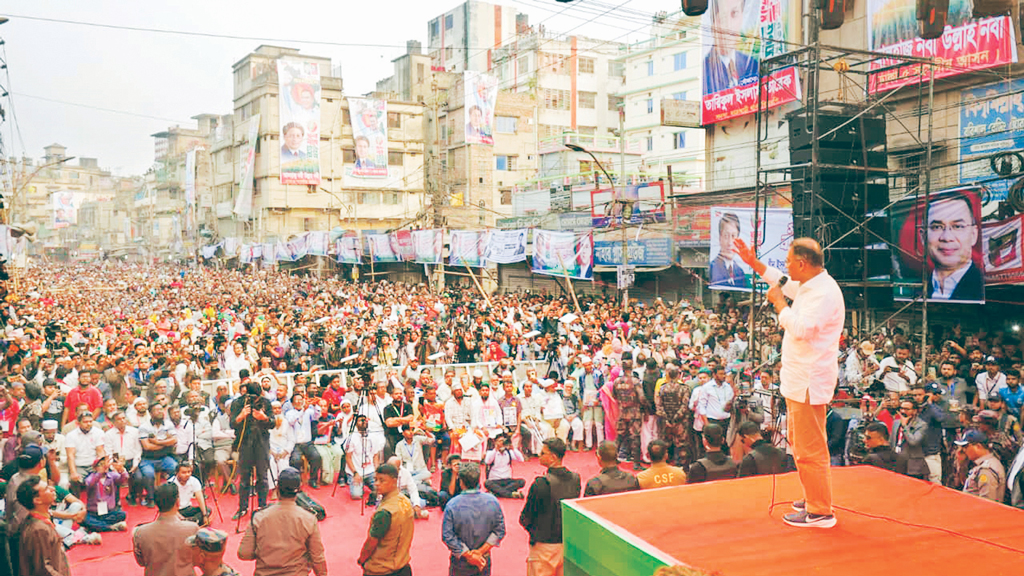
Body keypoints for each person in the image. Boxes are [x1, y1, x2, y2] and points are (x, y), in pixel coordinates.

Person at [734, 237, 844, 528]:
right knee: (801, 445)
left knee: (810, 449)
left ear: (802, 263)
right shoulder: (811, 286)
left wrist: (780, 304)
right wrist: (754, 264)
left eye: (788, 261)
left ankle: (820, 512)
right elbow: (782, 280)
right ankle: (813, 498)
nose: (785, 266)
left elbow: (802, 329)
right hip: (799, 380)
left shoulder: (823, 293)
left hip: (809, 381)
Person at [238, 467, 328, 576]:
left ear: (277, 489)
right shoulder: (308, 519)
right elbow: (317, 558)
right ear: (299, 490)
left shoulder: (259, 517)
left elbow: (244, 553)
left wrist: (264, 552)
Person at [519, 438, 581, 576]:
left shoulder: (541, 484)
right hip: (566, 543)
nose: (540, 455)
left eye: (543, 453)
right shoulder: (576, 479)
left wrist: (535, 532)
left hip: (543, 546)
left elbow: (525, 517)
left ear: (553, 457)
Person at [442, 462, 506, 576]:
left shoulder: (452, 505)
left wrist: (468, 554)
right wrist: (480, 552)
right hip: (483, 558)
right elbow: (499, 530)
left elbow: (447, 536)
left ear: (460, 482)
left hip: (461, 561)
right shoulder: (493, 501)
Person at [357, 463, 414, 576]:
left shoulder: (385, 513)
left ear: (394, 481)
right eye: (375, 479)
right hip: (403, 564)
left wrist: (362, 559)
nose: (377, 484)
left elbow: (371, 542)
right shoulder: (405, 501)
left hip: (382, 569)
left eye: (382, 480)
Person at [923, 193, 983, 301]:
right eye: (937, 227)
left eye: (957, 226)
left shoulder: (985, 286)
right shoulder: (914, 288)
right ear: (923, 236)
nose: (947, 237)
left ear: (973, 235)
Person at [132, 483, 200, 576]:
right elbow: (197, 560)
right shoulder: (192, 528)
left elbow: (141, 562)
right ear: (177, 502)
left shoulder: (140, 532)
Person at [229, 382, 274, 520]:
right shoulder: (238, 403)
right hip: (244, 442)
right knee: (244, 477)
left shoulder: (266, 402)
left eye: (257, 396)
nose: (255, 399)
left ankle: (262, 506)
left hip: (261, 441)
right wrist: (241, 415)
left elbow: (272, 423)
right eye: (251, 396)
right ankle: (243, 508)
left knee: (263, 476)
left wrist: (264, 417)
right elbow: (232, 423)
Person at [16, 475, 72, 576]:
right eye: (46, 489)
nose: (52, 489)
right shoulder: (38, 530)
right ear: (37, 500)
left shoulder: (42, 520)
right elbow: (43, 569)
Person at [703, 0, 759, 94]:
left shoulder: (752, 65)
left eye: (735, 14)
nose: (729, 25)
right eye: (723, 18)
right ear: (713, 25)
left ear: (742, 17)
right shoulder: (704, 72)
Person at [81, 455, 129, 532]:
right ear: (95, 468)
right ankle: (110, 527)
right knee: (84, 519)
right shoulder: (91, 477)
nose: (104, 466)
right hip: (94, 512)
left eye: (105, 464)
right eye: (101, 465)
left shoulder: (112, 475)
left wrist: (122, 469)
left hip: (108, 512)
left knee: (122, 514)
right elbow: (90, 483)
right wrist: (100, 473)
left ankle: (97, 526)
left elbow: (123, 480)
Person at [957, 429, 1006, 502]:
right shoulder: (983, 465)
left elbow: (987, 503)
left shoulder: (986, 470)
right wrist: (962, 463)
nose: (963, 450)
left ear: (978, 446)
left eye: (966, 447)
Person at [285, 393, 323, 489]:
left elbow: (317, 416)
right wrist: (303, 411)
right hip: (296, 444)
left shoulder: (309, 411)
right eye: (296, 400)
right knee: (295, 460)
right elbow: (291, 421)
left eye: (301, 400)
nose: (299, 402)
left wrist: (315, 405)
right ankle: (297, 482)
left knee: (317, 457)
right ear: (293, 403)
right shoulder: (289, 413)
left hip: (308, 443)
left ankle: (313, 480)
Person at [345, 414, 384, 502]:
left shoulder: (373, 437)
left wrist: (377, 472)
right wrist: (355, 473)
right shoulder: (351, 438)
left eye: (364, 420)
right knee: (356, 495)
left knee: (382, 490)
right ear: (356, 424)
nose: (363, 422)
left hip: (370, 471)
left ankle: (367, 484)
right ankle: (357, 484)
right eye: (360, 420)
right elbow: (348, 458)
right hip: (356, 472)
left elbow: (375, 456)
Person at [891, 398, 928, 480]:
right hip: (897, 462)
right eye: (901, 408)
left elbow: (913, 441)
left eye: (907, 409)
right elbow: (892, 442)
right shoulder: (896, 423)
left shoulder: (921, 425)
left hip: (913, 467)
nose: (903, 412)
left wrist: (905, 427)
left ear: (914, 411)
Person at [708, 212, 747, 288]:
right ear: (720, 238)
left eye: (733, 236)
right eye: (726, 236)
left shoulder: (740, 272)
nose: (730, 242)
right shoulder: (714, 266)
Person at [483, 433, 526, 498]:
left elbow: (521, 459)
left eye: (503, 441)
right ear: (495, 442)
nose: (502, 443)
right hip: (495, 480)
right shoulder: (491, 452)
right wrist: (496, 449)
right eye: (500, 441)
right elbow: (487, 461)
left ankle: (496, 493)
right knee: (487, 483)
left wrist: (513, 448)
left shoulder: (509, 452)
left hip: (507, 480)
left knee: (522, 482)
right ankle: (510, 494)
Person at [170, 460, 209, 525]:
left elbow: (200, 498)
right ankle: (192, 522)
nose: (187, 474)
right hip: (175, 512)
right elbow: (169, 506)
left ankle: (189, 522)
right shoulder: (171, 483)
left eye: (189, 472)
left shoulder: (194, 481)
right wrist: (179, 516)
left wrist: (205, 515)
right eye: (184, 472)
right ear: (177, 473)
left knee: (207, 510)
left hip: (187, 508)